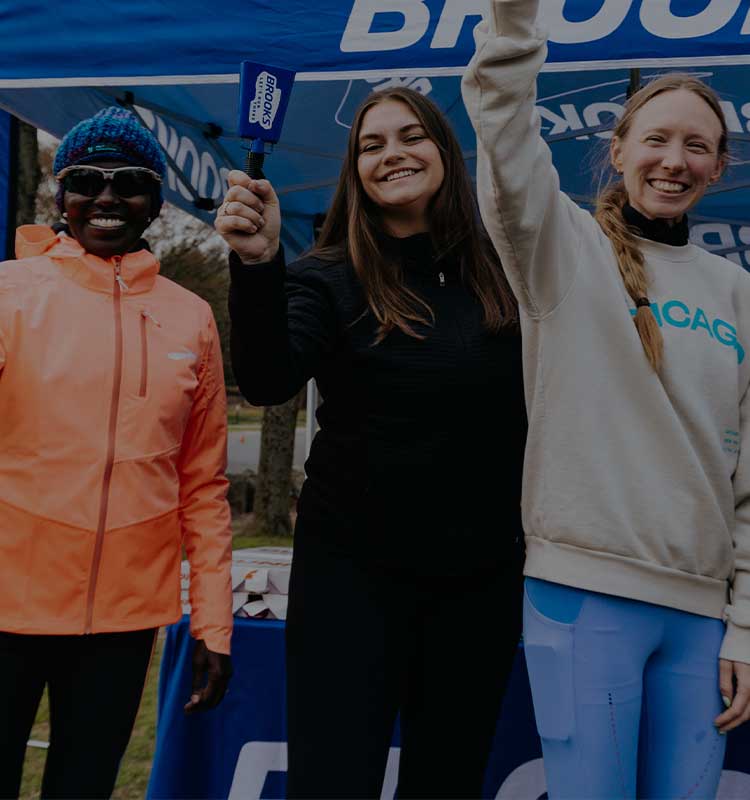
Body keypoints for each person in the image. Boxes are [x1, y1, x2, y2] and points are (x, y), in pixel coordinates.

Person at [462, 2, 750, 797]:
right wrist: (515, 19)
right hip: (583, 597)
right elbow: (503, 127)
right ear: (616, 149)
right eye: (656, 139)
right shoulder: (561, 251)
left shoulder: (738, 293)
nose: (674, 160)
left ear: (719, 167)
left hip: (699, 617)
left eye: (698, 145)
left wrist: (747, 632)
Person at [215, 86, 526, 798]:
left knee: (446, 779)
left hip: (477, 586)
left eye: (411, 137)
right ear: (354, 171)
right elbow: (266, 378)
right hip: (351, 581)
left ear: (445, 151)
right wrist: (257, 264)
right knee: (333, 781)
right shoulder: (327, 272)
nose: (393, 154)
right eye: (371, 145)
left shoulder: (504, 269)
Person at [0, 106, 233, 799]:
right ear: (59, 197)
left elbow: (204, 486)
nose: (106, 197)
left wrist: (212, 625)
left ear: (156, 202)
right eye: (86, 180)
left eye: (129, 181)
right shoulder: (8, 294)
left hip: (123, 621)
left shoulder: (190, 315)